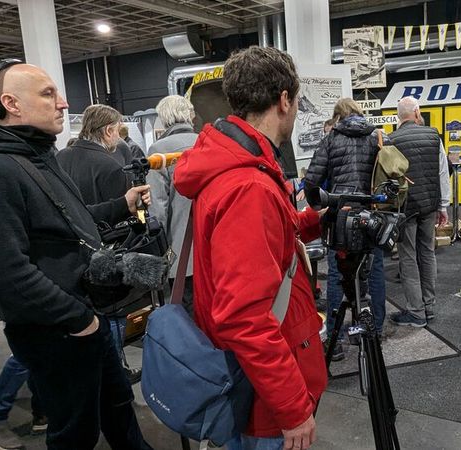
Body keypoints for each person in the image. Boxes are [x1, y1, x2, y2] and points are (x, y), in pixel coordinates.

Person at [0, 61, 152, 450]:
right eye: (48, 94)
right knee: (74, 434)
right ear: (10, 103)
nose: (63, 103)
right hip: (58, 330)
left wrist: (119, 206)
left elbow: (68, 223)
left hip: (82, 318)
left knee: (118, 409)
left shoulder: (37, 158)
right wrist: (80, 321)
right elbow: (6, 275)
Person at [173, 46, 325, 450]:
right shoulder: (249, 186)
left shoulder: (242, 166)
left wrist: (317, 220)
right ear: (284, 100)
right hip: (261, 400)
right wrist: (293, 409)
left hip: (255, 378)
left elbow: (269, 242)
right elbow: (244, 317)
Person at [56, 104, 141, 384]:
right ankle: (116, 372)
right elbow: (124, 215)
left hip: (68, 254)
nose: (118, 136)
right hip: (105, 251)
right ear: (108, 130)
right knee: (113, 314)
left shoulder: (60, 157)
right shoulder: (111, 165)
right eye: (116, 130)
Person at [303, 98, 387, 360]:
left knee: (339, 275)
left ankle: (336, 340)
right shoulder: (377, 137)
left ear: (338, 116)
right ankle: (375, 330)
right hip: (370, 215)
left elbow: (312, 181)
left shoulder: (331, 139)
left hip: (340, 217)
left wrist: (320, 205)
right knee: (372, 272)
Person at [386, 96, 450, 327]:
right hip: (429, 205)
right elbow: (443, 172)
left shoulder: (391, 140)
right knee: (427, 253)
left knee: (408, 257)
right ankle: (429, 307)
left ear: (398, 117)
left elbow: (389, 178)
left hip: (406, 208)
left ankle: (416, 312)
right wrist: (443, 205)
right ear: (416, 112)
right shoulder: (434, 135)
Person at [146, 95, 198, 312]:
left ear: (164, 118)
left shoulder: (159, 150)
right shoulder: (206, 142)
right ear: (189, 114)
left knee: (188, 319)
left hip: (182, 253)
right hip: (216, 250)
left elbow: (158, 207)